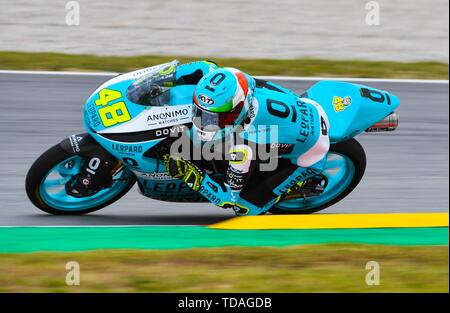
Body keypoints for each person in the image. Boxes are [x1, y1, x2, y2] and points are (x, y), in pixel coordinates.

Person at [163, 60, 330, 216]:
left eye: (216, 118)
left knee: (245, 209)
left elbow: (228, 199)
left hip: (312, 149)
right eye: (201, 112)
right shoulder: (232, 78)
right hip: (306, 106)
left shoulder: (243, 147)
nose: (205, 121)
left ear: (237, 111)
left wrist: (189, 174)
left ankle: (296, 186)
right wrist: (152, 84)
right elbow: (195, 67)